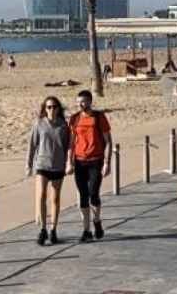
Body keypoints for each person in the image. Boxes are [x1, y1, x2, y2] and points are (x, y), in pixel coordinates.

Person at [66, 90, 112, 242]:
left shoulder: (99, 117)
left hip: (95, 160)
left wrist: (107, 163)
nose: (81, 104)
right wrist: (69, 162)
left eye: (84, 101)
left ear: (90, 101)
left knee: (93, 193)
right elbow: (71, 143)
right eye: (78, 101)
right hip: (80, 161)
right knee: (83, 196)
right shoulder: (74, 119)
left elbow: (108, 141)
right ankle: (86, 230)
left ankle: (97, 220)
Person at [26, 96, 71, 246]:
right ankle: (43, 229)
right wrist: (28, 164)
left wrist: (69, 163)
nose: (51, 110)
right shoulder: (39, 124)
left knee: (56, 199)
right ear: (45, 109)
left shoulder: (64, 126)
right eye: (48, 107)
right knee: (41, 196)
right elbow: (32, 145)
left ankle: (53, 229)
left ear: (59, 109)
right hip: (42, 165)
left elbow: (68, 147)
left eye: (54, 107)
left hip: (58, 165)